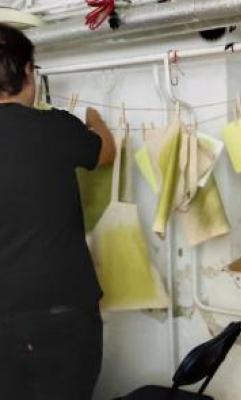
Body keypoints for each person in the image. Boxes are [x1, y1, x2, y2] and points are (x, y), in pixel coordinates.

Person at [0, 23, 115, 399]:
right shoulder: (56, 127)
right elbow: (105, 152)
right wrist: (96, 121)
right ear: (28, 72)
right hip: (63, 312)